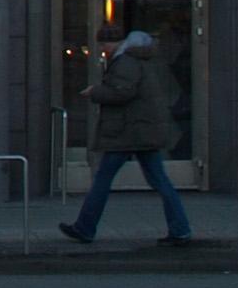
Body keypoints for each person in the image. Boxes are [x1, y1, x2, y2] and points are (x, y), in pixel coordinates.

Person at [61, 24, 193, 246]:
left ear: (115, 43)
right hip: (140, 131)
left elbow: (123, 92)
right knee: (160, 181)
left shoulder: (125, 62)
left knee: (103, 179)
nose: (103, 48)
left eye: (104, 44)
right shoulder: (137, 60)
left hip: (127, 132)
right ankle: (180, 229)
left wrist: (95, 92)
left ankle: (85, 228)